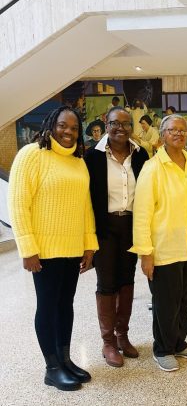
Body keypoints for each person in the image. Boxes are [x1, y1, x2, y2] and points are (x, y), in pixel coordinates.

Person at [7, 106, 99, 391]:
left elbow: (85, 206)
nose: (68, 132)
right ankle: (51, 367)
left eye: (73, 127)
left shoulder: (78, 161)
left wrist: (89, 245)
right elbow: (18, 203)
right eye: (62, 125)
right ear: (51, 125)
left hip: (72, 248)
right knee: (47, 306)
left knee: (65, 304)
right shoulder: (31, 155)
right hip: (44, 251)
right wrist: (27, 247)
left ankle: (65, 358)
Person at [129, 114, 187, 372]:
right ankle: (162, 348)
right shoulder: (153, 168)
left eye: (183, 130)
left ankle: (178, 342)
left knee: (184, 296)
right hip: (165, 241)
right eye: (172, 130)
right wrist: (145, 253)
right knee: (166, 298)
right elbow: (142, 213)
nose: (179, 134)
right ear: (162, 134)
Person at [84, 107, 148, 368]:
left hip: (131, 226)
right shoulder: (93, 156)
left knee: (127, 281)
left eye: (125, 123)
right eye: (114, 123)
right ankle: (108, 341)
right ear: (105, 124)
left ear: (131, 127)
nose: (120, 128)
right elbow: (86, 198)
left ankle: (123, 336)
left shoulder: (141, 154)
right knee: (107, 283)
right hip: (105, 228)